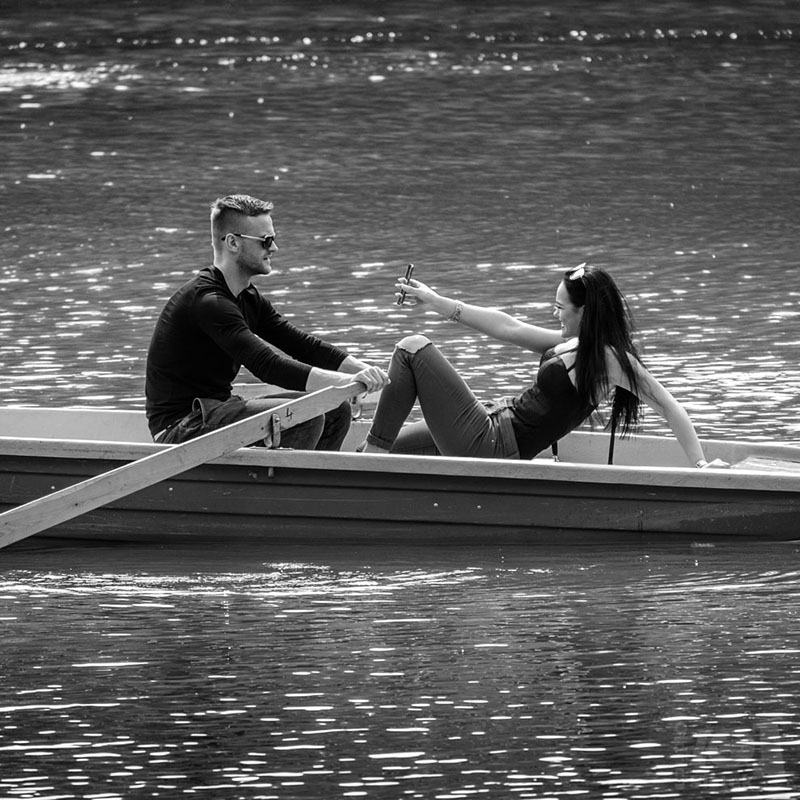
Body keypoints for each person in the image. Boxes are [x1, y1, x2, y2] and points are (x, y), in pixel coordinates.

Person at [361, 263, 722, 468]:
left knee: (412, 349)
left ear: (585, 312)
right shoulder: (571, 344)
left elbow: (669, 406)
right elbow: (508, 326)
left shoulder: (609, 360)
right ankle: (369, 459)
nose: (554, 313)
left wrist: (702, 466)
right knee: (387, 448)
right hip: (488, 422)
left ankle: (368, 467)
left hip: (490, 444)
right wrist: (438, 302)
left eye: (560, 307)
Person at [145, 194, 389, 448]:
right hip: (180, 428)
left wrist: (367, 372)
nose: (274, 248)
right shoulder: (210, 302)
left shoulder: (247, 297)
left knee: (335, 411)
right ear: (232, 242)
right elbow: (267, 365)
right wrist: (348, 383)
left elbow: (303, 346)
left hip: (219, 411)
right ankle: (286, 484)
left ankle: (306, 484)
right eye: (266, 241)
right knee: (306, 416)